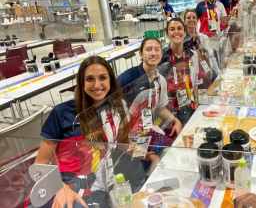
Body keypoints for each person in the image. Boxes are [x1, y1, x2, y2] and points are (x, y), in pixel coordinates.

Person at [34, 56, 159, 208]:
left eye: (102, 78)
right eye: (89, 79)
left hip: (99, 188)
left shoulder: (118, 108)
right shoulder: (62, 113)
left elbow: (124, 145)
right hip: (66, 187)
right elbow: (40, 164)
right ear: (81, 83)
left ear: (110, 81)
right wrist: (60, 188)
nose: (97, 85)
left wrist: (150, 156)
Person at [117, 37, 182, 139]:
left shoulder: (160, 80)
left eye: (157, 49)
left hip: (146, 131)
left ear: (161, 54)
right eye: (148, 49)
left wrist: (176, 120)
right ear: (141, 54)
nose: (153, 53)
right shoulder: (128, 78)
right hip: (125, 136)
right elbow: (111, 106)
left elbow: (161, 109)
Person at [159, 18, 202, 124]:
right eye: (172, 29)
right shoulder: (162, 58)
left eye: (179, 29)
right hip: (168, 110)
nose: (176, 32)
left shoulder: (192, 55)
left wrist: (196, 98)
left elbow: (195, 78)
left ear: (184, 33)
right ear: (167, 34)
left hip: (187, 104)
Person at [182, 9, 219, 86]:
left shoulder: (204, 38)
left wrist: (218, 74)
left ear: (197, 21)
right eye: (188, 18)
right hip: (193, 79)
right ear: (184, 21)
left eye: (194, 18)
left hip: (207, 76)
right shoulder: (182, 41)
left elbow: (211, 56)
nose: (191, 20)